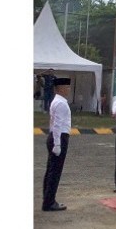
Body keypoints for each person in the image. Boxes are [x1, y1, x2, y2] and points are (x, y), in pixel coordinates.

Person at [42, 76, 71, 211]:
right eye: (67, 87)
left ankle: (47, 198)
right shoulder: (61, 103)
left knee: (51, 170)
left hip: (54, 136)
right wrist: (58, 144)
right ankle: (49, 202)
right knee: (55, 172)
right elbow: (58, 125)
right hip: (59, 137)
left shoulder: (57, 101)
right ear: (61, 88)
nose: (68, 89)